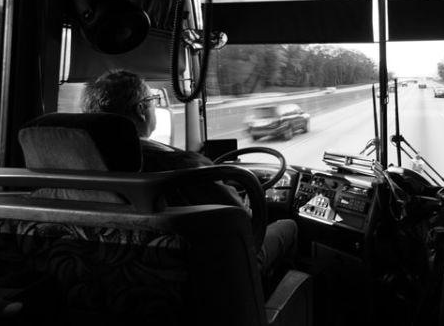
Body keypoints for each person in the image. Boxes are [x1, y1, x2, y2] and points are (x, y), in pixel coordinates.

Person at [80, 69, 297, 277]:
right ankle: (262, 305)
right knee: (288, 227)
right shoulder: (183, 165)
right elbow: (244, 226)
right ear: (140, 110)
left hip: (103, 275)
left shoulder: (73, 165)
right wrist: (247, 199)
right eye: (153, 102)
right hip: (203, 275)